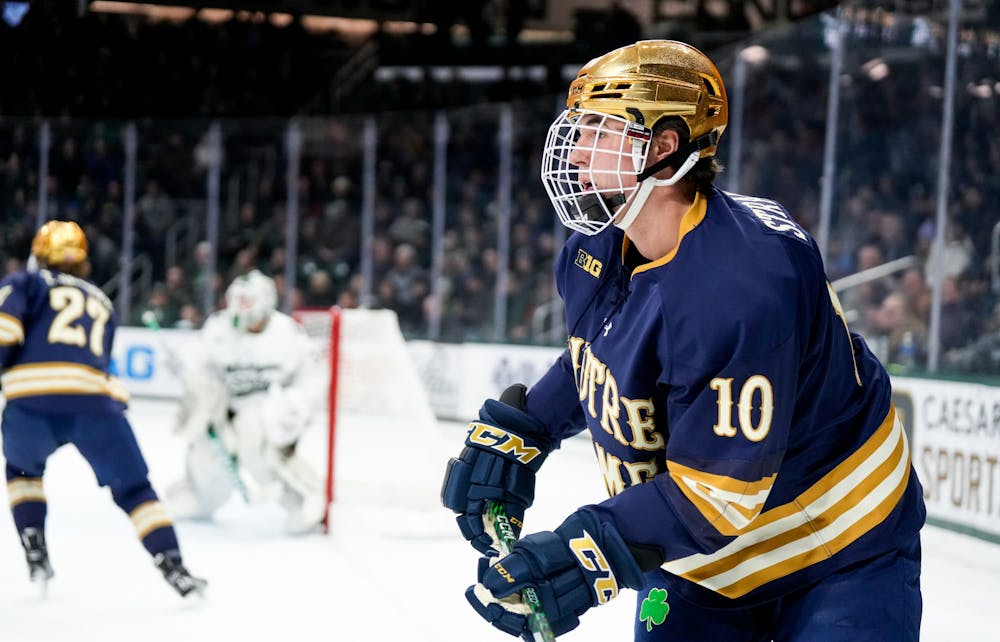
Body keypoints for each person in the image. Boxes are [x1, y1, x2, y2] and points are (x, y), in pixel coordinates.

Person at [442, 40, 925, 641]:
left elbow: (719, 494)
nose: (576, 146)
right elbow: (601, 353)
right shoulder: (595, 248)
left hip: (837, 547)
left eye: (597, 129)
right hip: (697, 560)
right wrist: (529, 427)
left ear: (663, 147)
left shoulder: (739, 286)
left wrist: (584, 552)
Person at [0, 220, 206, 597]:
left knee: (21, 470)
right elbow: (100, 364)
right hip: (94, 404)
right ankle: (173, 563)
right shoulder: (101, 300)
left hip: (30, 402)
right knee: (136, 489)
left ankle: (35, 546)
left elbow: (5, 334)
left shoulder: (25, 282)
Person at [164, 269, 326, 534]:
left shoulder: (287, 333)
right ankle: (200, 497)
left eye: (249, 308)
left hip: (268, 410)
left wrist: (295, 404)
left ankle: (300, 498)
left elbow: (312, 376)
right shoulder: (218, 327)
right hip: (223, 408)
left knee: (257, 452)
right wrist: (200, 390)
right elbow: (194, 362)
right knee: (207, 455)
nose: (243, 319)